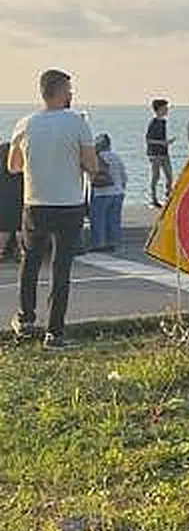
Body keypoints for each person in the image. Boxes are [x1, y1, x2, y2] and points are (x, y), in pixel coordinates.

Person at [9, 69, 97, 350]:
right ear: (60, 92)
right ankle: (55, 334)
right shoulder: (78, 123)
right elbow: (92, 166)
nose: (72, 94)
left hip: (35, 204)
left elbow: (13, 166)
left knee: (30, 263)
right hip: (69, 204)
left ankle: (25, 320)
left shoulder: (25, 124)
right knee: (61, 269)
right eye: (69, 90)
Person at [88, 133, 126, 253]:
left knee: (98, 220)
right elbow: (123, 176)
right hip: (117, 192)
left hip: (101, 193)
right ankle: (113, 243)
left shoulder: (96, 157)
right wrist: (122, 189)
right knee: (114, 220)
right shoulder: (116, 157)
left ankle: (98, 243)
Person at [145, 98, 174, 207]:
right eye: (165, 108)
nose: (167, 110)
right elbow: (148, 140)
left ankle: (168, 195)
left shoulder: (163, 122)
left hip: (164, 152)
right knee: (156, 176)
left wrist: (166, 143)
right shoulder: (153, 123)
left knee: (169, 176)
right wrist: (163, 142)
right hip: (154, 153)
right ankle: (154, 198)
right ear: (159, 109)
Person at [0, 142, 22, 261]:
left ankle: (1, 251)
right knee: (20, 226)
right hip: (20, 195)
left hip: (4, 197)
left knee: (4, 227)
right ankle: (22, 253)